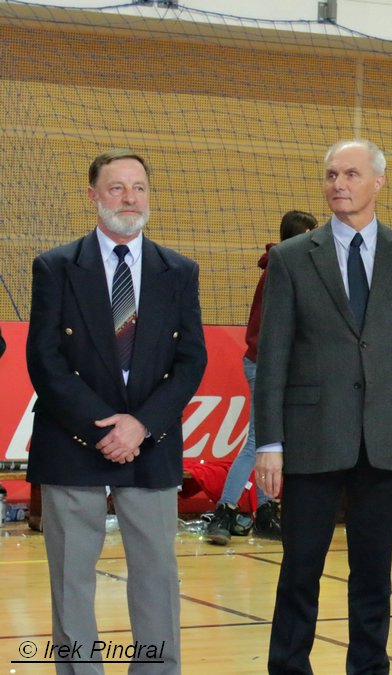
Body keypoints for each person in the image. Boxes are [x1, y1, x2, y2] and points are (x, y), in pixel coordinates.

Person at [253, 139, 392, 674]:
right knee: (300, 571)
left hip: (386, 437)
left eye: (351, 174)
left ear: (378, 182)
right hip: (311, 436)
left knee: (374, 576)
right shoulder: (291, 258)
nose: (338, 184)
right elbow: (273, 356)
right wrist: (269, 443)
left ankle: (369, 667)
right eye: (331, 175)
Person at [25, 148, 207, 674]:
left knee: (157, 576)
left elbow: (192, 358)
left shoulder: (179, 271)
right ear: (93, 196)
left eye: (139, 188)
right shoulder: (56, 267)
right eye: (117, 188)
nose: (130, 198)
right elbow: (44, 359)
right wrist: (103, 427)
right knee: (71, 580)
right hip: (72, 439)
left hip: (151, 440)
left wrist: (141, 425)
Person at [206, 210, 318, 545]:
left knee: (272, 441)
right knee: (259, 441)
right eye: (312, 235)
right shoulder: (284, 270)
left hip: (272, 365)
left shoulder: (283, 266)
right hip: (267, 365)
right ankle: (225, 510)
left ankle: (266, 510)